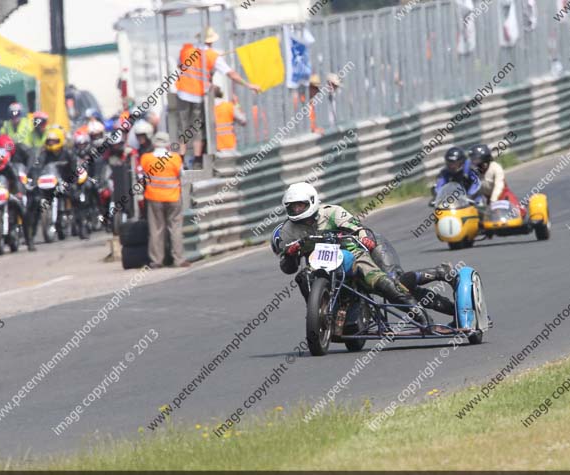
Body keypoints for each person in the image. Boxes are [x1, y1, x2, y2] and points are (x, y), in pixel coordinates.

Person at [275, 182, 428, 324]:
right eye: (293, 207)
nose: (296, 210)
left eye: (300, 205)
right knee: (303, 277)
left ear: (312, 201)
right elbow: (287, 268)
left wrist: (365, 238)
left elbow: (359, 229)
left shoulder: (333, 212)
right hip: (317, 263)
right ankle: (317, 311)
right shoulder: (288, 230)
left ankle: (420, 315)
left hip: (351, 253)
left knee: (380, 280)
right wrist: (289, 253)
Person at [174, 26, 261, 169]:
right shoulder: (212, 56)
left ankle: (181, 160)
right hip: (198, 96)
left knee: (183, 129)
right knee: (196, 129)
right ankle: (197, 160)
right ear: (210, 42)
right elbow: (231, 74)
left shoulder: (186, 49)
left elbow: (180, 65)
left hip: (182, 93)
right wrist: (248, 85)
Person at [140, 132, 190, 268]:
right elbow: (182, 176)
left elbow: (142, 176)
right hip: (173, 197)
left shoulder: (146, 158)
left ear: (154, 143)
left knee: (156, 229)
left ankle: (157, 261)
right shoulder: (175, 158)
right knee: (175, 228)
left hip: (154, 198)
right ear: (168, 144)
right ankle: (179, 259)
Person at [0, 148, 33, 251]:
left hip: (9, 195)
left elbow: (16, 181)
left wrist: (18, 193)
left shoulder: (10, 168)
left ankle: (29, 242)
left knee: (23, 211)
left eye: (0, 161)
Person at [213, 86, 247, 154]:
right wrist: (236, 103)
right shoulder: (229, 106)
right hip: (229, 146)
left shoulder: (207, 109)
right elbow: (243, 121)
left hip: (213, 148)